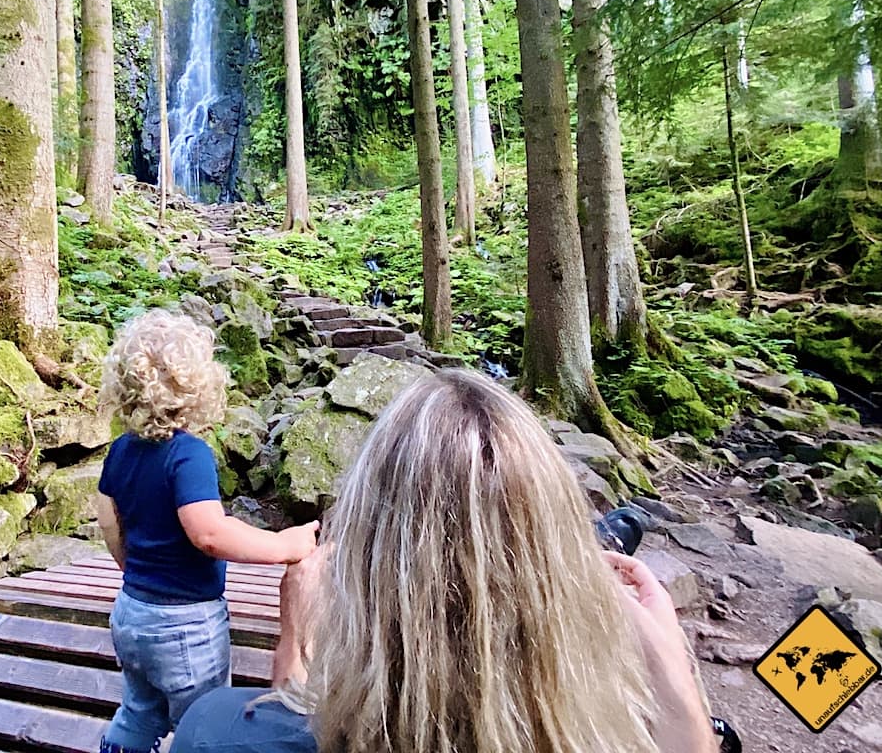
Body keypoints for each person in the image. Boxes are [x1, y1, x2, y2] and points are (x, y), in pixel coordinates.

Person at [170, 369, 718, 753]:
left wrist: (300, 642)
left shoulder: (211, 734)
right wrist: (676, 690)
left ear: (362, 575)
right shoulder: (616, 735)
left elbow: (286, 728)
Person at [96, 309, 319, 753]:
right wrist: (283, 544)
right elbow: (209, 535)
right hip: (185, 625)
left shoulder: (120, 450)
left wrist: (132, 568)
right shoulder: (188, 455)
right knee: (202, 719)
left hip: (131, 611)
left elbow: (107, 516)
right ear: (198, 388)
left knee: (139, 708)